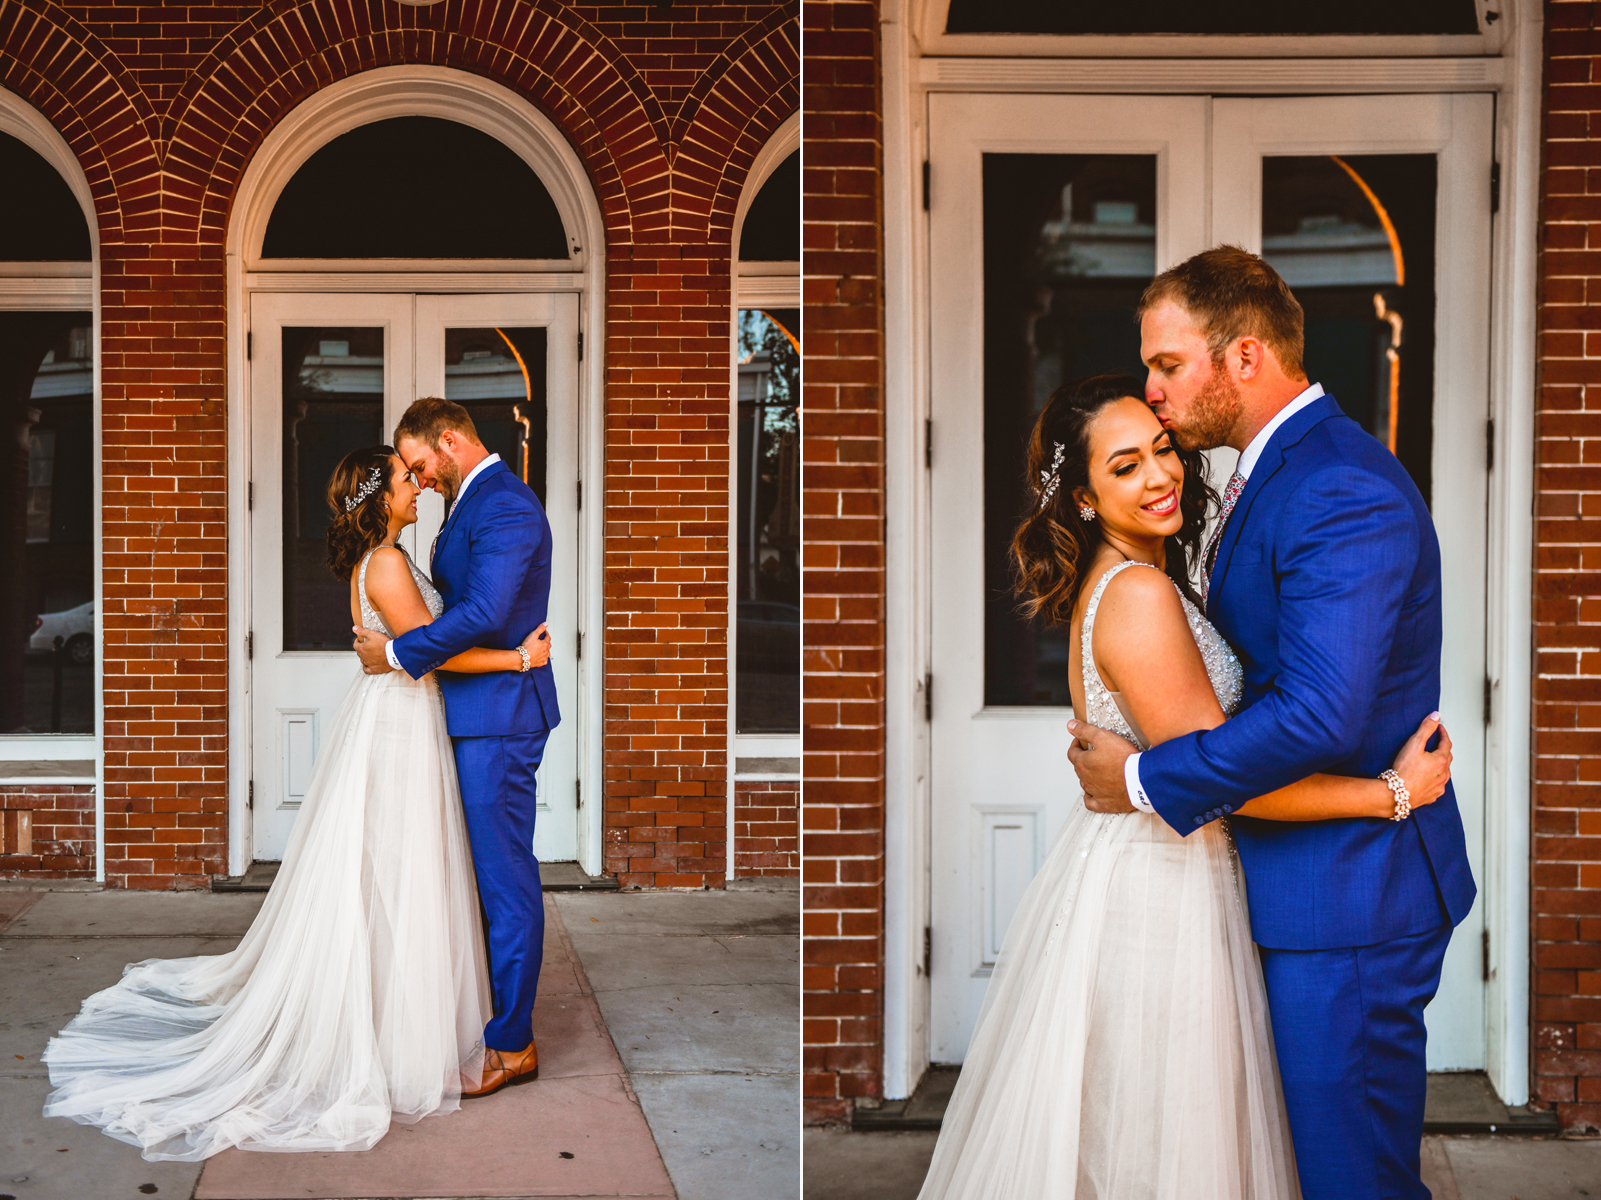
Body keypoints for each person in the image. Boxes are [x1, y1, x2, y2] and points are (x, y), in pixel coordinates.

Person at [918, 373, 1453, 1199]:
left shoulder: (1148, 579)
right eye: (1124, 467)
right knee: (1161, 1134)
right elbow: (1226, 781)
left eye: (1161, 449)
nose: (1159, 475)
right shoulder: (1136, 596)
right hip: (1161, 889)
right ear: (1085, 498)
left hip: (1171, 863)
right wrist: (1390, 793)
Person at [1067, 247, 1476, 1200]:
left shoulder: (1335, 483)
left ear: (1243, 357)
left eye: (1168, 365)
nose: (1153, 390)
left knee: (1350, 1181)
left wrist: (1141, 781)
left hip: (1348, 903)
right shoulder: (1258, 474)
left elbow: (1320, 713)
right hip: (1288, 885)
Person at [41, 445, 550, 1160]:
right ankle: (388, 1027)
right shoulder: (388, 562)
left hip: (398, 715)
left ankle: (393, 1012)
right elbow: (428, 650)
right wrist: (521, 659)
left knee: (394, 873)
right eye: (407, 480)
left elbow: (408, 645)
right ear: (378, 499)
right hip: (400, 725)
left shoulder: (384, 558)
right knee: (398, 872)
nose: (419, 485)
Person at [353, 397, 559, 1098]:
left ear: (447, 441)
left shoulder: (504, 505)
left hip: (500, 717)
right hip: (468, 710)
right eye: (408, 473)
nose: (418, 478)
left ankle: (513, 1043)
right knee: (479, 878)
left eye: (418, 465)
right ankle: (485, 1015)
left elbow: (486, 613)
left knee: (504, 880)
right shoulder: (467, 502)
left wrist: (401, 652)